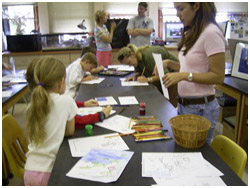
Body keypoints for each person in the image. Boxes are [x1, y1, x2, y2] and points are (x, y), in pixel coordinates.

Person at [158, 3, 226, 143]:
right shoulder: (193, 32)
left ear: (196, 6)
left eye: (181, 9)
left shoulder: (211, 33)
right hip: (185, 105)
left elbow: (218, 76)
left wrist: (184, 76)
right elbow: (192, 68)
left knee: (196, 157)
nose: (177, 14)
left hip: (201, 108)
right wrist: (169, 63)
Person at [24, 57, 78, 186]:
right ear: (61, 82)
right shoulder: (66, 101)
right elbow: (70, 131)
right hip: (51, 172)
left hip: (29, 171)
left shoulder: (31, 106)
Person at [25, 57, 112, 130]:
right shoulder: (64, 101)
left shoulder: (34, 105)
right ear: (61, 82)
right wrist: (101, 115)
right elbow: (77, 122)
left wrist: (83, 104)